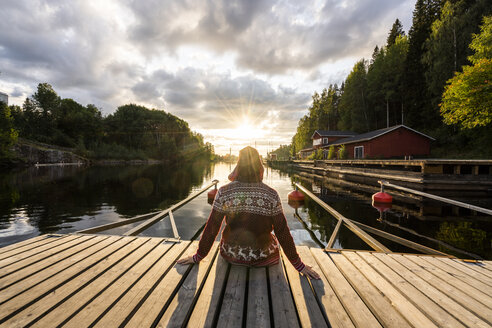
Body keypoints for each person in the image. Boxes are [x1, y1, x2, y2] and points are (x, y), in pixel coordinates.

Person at [178, 146, 320, 280]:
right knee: (274, 238)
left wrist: (198, 256)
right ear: (259, 166)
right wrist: (298, 265)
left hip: (232, 254)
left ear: (238, 166)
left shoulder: (223, 192)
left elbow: (212, 227)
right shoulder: (271, 194)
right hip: (264, 256)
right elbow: (282, 231)